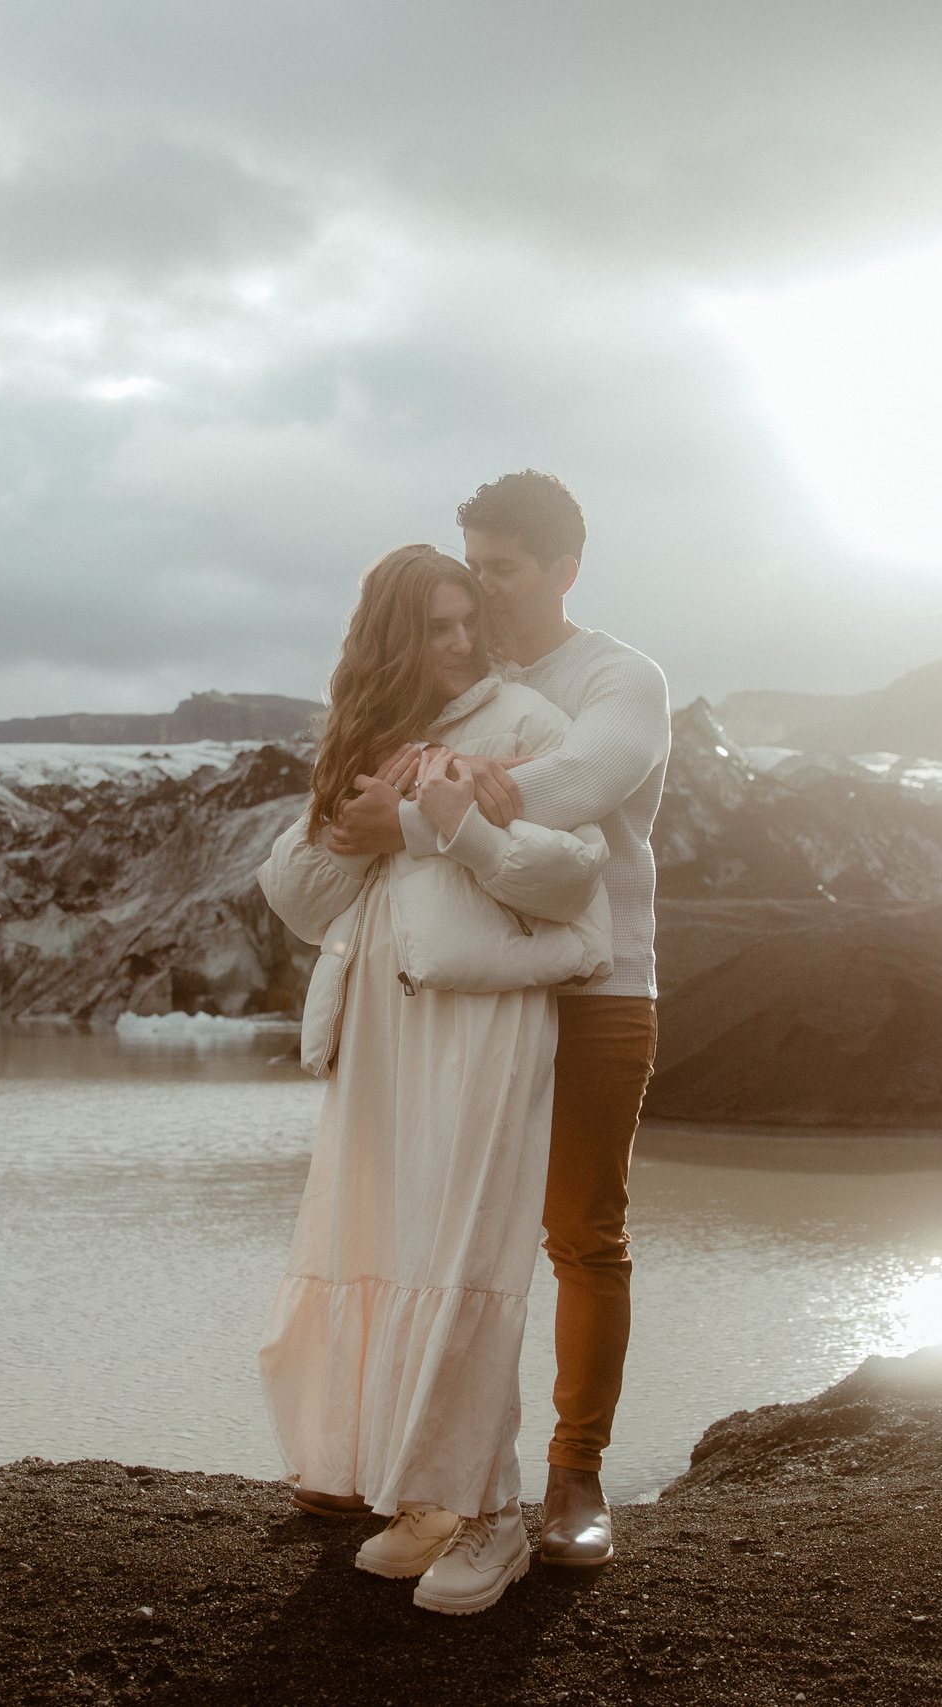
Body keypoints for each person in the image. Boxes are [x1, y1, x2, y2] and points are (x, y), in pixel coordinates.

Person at [256, 543, 614, 1616]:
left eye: (469, 622)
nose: (460, 644)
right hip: (382, 1024)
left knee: (464, 1255)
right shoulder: (366, 737)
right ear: (390, 641)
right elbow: (300, 899)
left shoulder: (524, 727)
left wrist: (444, 822)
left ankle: (496, 1517)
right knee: (386, 1244)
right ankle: (426, 1494)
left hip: (482, 1020)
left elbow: (570, 877)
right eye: (436, 627)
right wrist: (363, 823)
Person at [326, 472, 671, 1569]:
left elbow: (574, 784)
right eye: (470, 564)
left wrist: (432, 808)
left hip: (598, 989)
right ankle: (435, 1478)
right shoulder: (455, 672)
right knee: (445, 1234)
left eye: (502, 569)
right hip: (474, 991)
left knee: (580, 1234)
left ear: (563, 571)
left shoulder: (621, 676)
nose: (481, 588)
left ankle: (575, 1477)